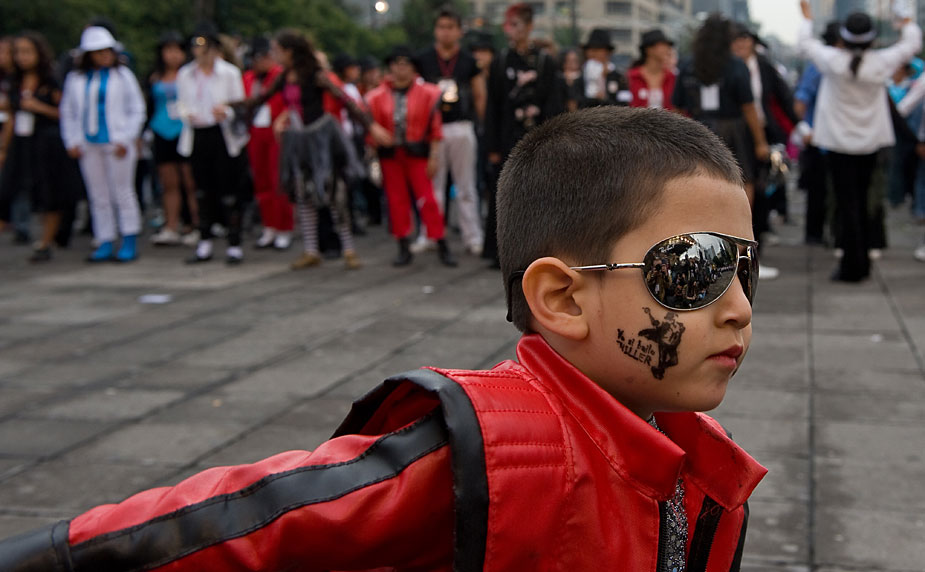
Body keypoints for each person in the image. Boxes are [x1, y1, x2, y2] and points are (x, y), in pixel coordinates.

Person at [0, 106, 766, 571]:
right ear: (562, 298)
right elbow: (235, 526)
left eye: (743, 269)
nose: (737, 308)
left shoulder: (698, 457)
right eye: (693, 270)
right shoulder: (482, 457)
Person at [797, 0, 921, 282]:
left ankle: (851, 265)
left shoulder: (832, 61)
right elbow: (911, 43)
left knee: (846, 204)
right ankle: (862, 262)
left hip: (838, 145)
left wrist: (807, 17)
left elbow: (805, 44)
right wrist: (904, 18)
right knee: (864, 203)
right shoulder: (881, 62)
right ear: (871, 39)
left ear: (844, 38)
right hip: (870, 144)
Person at [252, 30, 389, 271]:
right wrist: (229, 107)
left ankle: (349, 249)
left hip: (321, 139)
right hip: (298, 141)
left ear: (289, 51)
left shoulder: (315, 76)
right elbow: (262, 99)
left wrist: (371, 126)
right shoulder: (284, 77)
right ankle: (311, 250)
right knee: (303, 196)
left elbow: (346, 100)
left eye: (277, 50)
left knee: (334, 193)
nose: (274, 55)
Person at [672, 14, 776, 280]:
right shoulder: (735, 65)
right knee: (743, 184)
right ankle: (742, 251)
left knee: (699, 186)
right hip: (734, 131)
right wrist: (760, 142)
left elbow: (678, 105)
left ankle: (703, 251)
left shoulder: (688, 65)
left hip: (698, 130)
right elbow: (749, 107)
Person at [483, 2, 561, 268]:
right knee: (503, 193)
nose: (511, 30)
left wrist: (553, 140)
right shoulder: (501, 61)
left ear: (528, 27)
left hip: (537, 137)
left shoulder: (544, 62)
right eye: (508, 25)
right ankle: (499, 251)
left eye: (515, 25)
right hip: (507, 136)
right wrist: (492, 145)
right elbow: (493, 105)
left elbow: (553, 104)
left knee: (538, 193)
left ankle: (537, 250)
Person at [60, 26, 146, 263]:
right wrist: (71, 140)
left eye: (107, 51)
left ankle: (129, 237)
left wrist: (126, 137)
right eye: (99, 52)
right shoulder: (76, 78)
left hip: (117, 143)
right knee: (98, 194)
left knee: (123, 192)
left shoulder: (123, 75)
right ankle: (105, 239)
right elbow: (68, 111)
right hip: (88, 144)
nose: (105, 56)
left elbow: (137, 109)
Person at [366, 45, 457, 267]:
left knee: (428, 200)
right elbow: (370, 126)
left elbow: (435, 128)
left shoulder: (428, 93)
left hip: (418, 154)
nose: (400, 68)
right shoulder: (376, 96)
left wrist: (434, 156)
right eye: (396, 64)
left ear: (413, 67)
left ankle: (441, 243)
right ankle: (403, 246)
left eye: (405, 64)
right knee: (396, 201)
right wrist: (374, 143)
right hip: (390, 155)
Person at [0, 32, 82, 262]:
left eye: (27, 52)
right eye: (18, 52)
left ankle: (46, 242)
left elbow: (65, 113)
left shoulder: (52, 80)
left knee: (48, 194)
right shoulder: (15, 81)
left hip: (46, 142)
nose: (22, 57)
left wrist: (38, 107)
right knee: (5, 190)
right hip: (21, 142)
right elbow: (12, 117)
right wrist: (4, 147)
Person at [177, 22, 251, 265]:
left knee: (229, 190)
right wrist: (186, 113)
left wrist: (226, 112)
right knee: (202, 190)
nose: (199, 51)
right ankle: (205, 240)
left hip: (223, 136)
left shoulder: (229, 73)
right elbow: (180, 103)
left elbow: (239, 106)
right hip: (197, 133)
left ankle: (234, 243)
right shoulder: (186, 74)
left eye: (204, 45)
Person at [416, 5, 486, 256]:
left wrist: (480, 125)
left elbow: (479, 94)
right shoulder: (423, 60)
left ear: (459, 31)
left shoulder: (469, 61)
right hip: (433, 129)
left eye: (450, 27)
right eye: (441, 27)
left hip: (461, 125)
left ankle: (472, 236)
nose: (445, 32)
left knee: (466, 186)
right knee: (432, 185)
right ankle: (429, 234)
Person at [146, 31, 199, 247]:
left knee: (190, 182)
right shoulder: (154, 77)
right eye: (168, 50)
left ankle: (195, 225)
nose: (173, 55)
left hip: (184, 130)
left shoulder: (191, 74)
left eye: (177, 50)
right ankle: (171, 226)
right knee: (169, 183)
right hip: (162, 130)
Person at [243, 35, 292, 251]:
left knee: (278, 181)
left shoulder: (281, 76)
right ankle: (269, 226)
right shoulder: (249, 78)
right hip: (255, 131)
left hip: (276, 131)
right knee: (261, 181)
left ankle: (284, 227)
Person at [793, 21, 840, 245]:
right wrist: (805, 129)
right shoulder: (819, 66)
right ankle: (815, 234)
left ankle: (833, 232)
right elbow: (801, 101)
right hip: (819, 139)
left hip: (837, 138)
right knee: (818, 190)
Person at [576, 28, 631, 108]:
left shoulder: (618, 77)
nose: (592, 54)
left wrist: (605, 99)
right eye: (589, 50)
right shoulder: (579, 76)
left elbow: (625, 103)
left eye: (597, 50)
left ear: (608, 52)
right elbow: (576, 103)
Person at [628, 28, 676, 110]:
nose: (667, 49)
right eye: (662, 45)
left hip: (667, 118)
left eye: (668, 45)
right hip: (637, 118)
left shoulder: (672, 77)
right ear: (649, 49)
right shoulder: (632, 77)